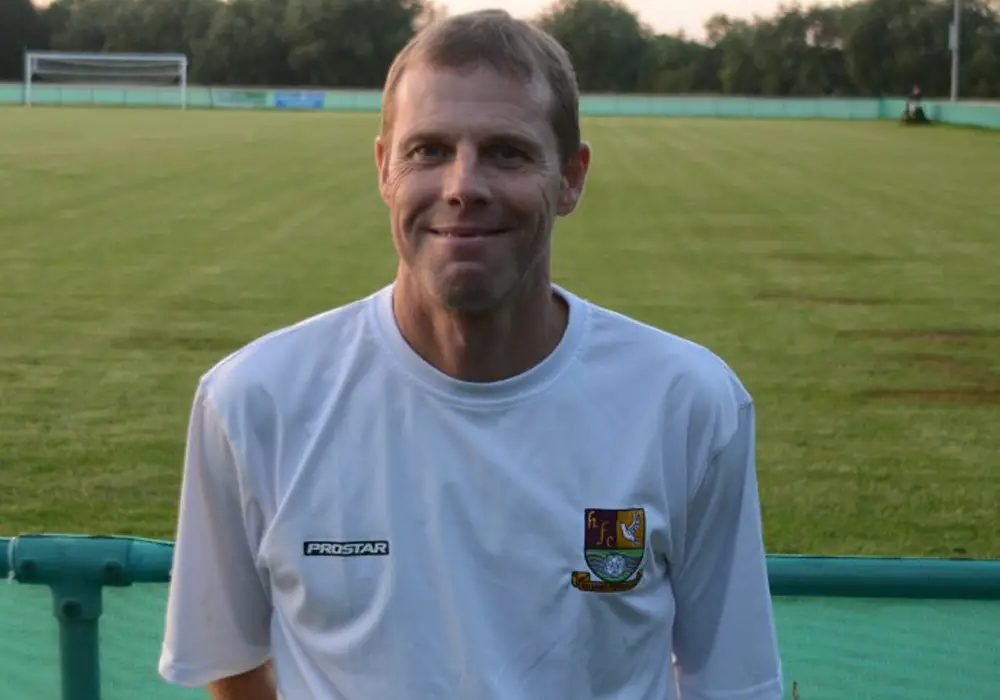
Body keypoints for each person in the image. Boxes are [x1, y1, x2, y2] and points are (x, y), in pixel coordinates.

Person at [158, 9, 784, 700]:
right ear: (383, 170)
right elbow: (231, 663)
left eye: (507, 152)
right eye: (427, 150)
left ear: (571, 177)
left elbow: (731, 682)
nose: (462, 185)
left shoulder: (687, 402)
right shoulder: (252, 401)